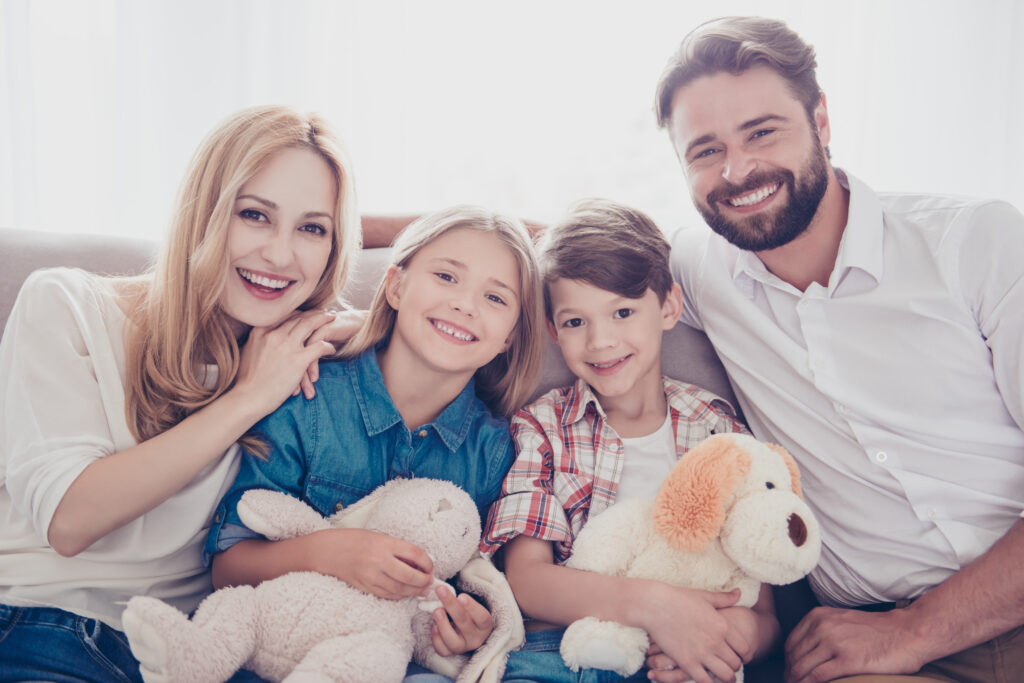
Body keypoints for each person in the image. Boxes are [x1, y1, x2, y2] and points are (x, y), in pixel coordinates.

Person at [655, 16, 1024, 683]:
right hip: (869, 648)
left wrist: (919, 628)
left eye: (762, 132)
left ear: (821, 119)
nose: (737, 170)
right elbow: (561, 244)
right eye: (705, 151)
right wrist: (413, 241)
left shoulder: (978, 244)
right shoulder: (696, 270)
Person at [0, 105, 368, 681]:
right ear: (205, 214)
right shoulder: (67, 304)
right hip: (46, 623)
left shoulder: (300, 348)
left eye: (311, 228)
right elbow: (69, 520)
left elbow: (437, 297)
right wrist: (247, 396)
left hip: (190, 649)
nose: (278, 254)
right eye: (254, 215)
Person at [204, 205, 545, 681]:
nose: (465, 304)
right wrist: (328, 553)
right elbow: (227, 567)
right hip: (277, 647)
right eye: (447, 277)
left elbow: (482, 585)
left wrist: (470, 629)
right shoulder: (307, 397)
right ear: (396, 286)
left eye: (495, 298)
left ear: (510, 337)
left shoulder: (494, 453)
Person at [479, 199, 771, 683]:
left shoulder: (717, 429)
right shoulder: (542, 426)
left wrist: (737, 634)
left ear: (669, 306)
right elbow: (528, 581)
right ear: (553, 330)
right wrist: (652, 605)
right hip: (562, 653)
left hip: (682, 658)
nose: (600, 341)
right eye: (576, 322)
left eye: (622, 312)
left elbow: (764, 609)